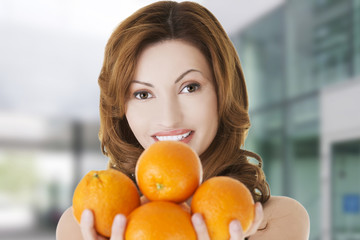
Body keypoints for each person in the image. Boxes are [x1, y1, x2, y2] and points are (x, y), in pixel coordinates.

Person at [56, 1, 310, 239]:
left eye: (189, 87)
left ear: (224, 93)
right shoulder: (82, 226)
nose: (169, 117)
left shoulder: (274, 220)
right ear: (120, 108)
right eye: (143, 94)